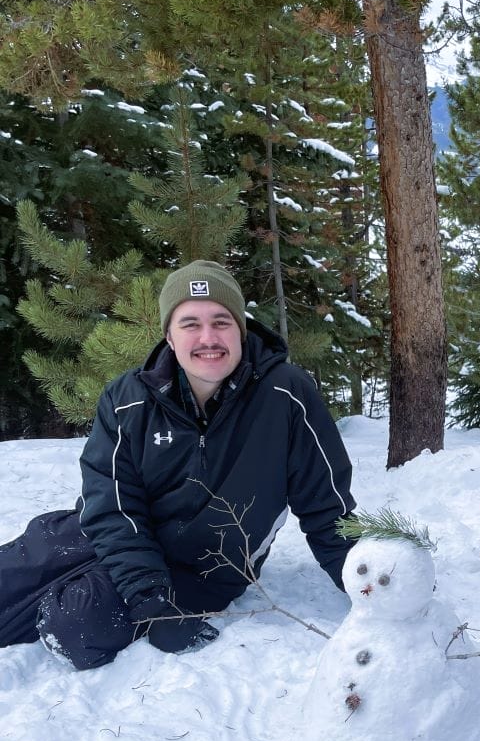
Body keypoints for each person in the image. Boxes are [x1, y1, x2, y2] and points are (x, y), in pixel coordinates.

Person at [0, 260, 357, 670]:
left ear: (241, 329)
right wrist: (149, 599)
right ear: (169, 335)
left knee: (77, 625)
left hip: (203, 566)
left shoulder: (286, 394)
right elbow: (111, 501)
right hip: (107, 535)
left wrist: (371, 582)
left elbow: (326, 506)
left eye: (221, 322)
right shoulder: (127, 397)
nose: (208, 338)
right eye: (190, 324)